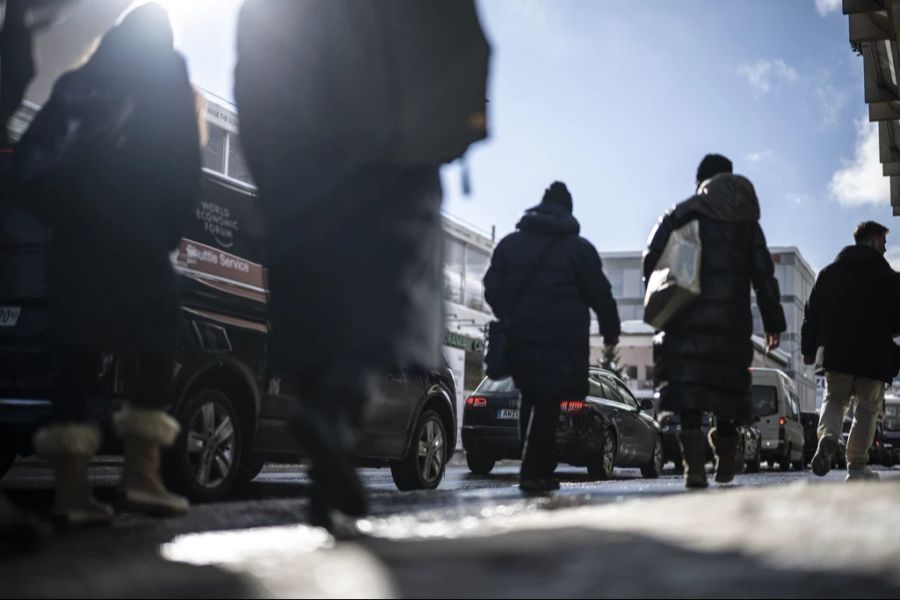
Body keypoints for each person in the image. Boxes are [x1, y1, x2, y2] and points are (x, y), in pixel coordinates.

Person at [234, 0, 488, 530]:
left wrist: (267, 158)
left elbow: (256, 47)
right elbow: (461, 37)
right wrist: (461, 126)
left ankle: (322, 412)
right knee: (386, 298)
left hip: (300, 146)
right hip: (394, 148)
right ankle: (336, 412)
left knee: (310, 283)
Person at [14, 3, 201, 525]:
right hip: (135, 234)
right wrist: (167, 229)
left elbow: (32, 161)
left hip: (73, 241)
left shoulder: (78, 82)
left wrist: (66, 213)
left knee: (72, 355)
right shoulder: (166, 70)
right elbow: (184, 163)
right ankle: (140, 477)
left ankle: (72, 492)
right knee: (159, 340)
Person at [644, 154, 785, 488]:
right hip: (731, 323)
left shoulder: (683, 211)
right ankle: (724, 461)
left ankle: (693, 467)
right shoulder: (747, 222)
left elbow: (652, 259)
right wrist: (773, 322)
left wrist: (658, 300)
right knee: (727, 390)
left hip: (684, 316)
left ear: (701, 180)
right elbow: (763, 274)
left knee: (688, 392)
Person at [483, 182, 621, 493]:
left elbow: (492, 286)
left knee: (531, 397)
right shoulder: (579, 249)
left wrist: (510, 314)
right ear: (568, 211)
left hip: (520, 337)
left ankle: (536, 470)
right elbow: (601, 294)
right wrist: (611, 330)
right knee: (547, 401)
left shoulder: (510, 244)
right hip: (561, 341)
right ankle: (534, 472)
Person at [802, 221, 900, 481]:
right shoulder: (889, 278)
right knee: (866, 409)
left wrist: (808, 348)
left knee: (835, 399)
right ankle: (856, 467)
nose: (886, 247)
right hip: (874, 356)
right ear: (875, 239)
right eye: (884, 241)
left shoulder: (829, 273)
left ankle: (829, 437)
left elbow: (812, 313)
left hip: (837, 353)